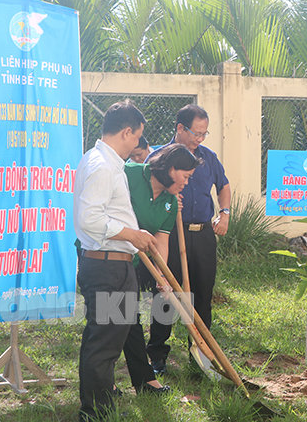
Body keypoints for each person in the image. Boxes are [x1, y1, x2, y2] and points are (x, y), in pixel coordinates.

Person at [74, 100, 160, 421]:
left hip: (117, 263)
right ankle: (95, 411)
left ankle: (103, 399)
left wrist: (136, 237)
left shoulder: (109, 163)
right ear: (127, 132)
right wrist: (131, 234)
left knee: (114, 334)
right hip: (106, 265)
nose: (139, 143)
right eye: (138, 136)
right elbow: (89, 219)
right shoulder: (101, 165)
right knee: (104, 340)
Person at [146, 104, 230, 374]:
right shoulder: (159, 156)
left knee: (203, 294)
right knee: (166, 294)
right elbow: (148, 193)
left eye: (205, 134)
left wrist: (225, 213)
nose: (200, 139)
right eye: (196, 133)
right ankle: (158, 355)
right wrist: (169, 199)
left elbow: (224, 185)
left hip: (203, 233)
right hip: (169, 233)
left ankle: (202, 353)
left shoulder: (208, 156)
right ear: (180, 128)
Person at [129, 144, 202, 373]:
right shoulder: (130, 173)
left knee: (127, 319)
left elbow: (161, 241)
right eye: (185, 176)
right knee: (119, 317)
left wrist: (162, 278)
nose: (186, 183)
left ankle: (145, 373)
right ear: (171, 170)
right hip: (110, 256)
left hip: (136, 259)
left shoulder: (171, 203)